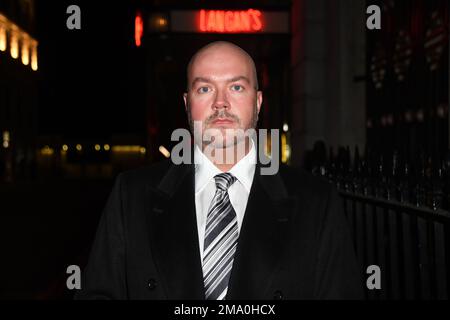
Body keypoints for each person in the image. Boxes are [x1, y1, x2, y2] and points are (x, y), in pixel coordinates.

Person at [75, 41, 364, 300]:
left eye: (236, 87)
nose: (221, 103)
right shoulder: (131, 195)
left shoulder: (316, 201)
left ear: (258, 102)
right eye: (205, 89)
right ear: (188, 105)